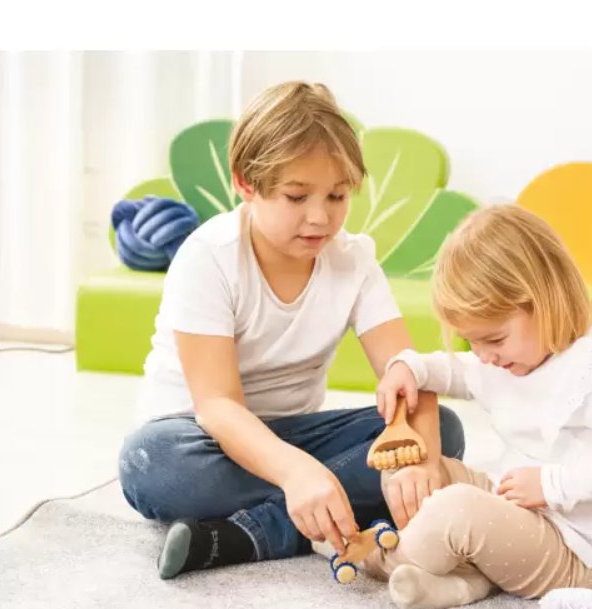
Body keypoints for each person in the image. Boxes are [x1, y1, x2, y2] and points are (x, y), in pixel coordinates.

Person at [118, 81, 463, 580]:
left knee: (443, 430)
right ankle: (324, 506)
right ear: (247, 184)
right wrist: (296, 472)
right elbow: (217, 406)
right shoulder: (209, 257)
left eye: (337, 195)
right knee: (150, 464)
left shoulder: (354, 260)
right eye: (296, 197)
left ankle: (257, 532)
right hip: (200, 437)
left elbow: (410, 373)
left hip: (296, 437)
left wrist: (423, 458)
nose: (320, 217)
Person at [370, 203, 592, 609]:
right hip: (515, 512)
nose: (484, 355)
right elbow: (453, 371)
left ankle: (379, 556)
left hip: (572, 551)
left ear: (545, 301)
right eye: (471, 341)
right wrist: (408, 366)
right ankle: (461, 583)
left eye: (494, 340)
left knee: (456, 508)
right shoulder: (508, 360)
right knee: (406, 470)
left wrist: (554, 485)